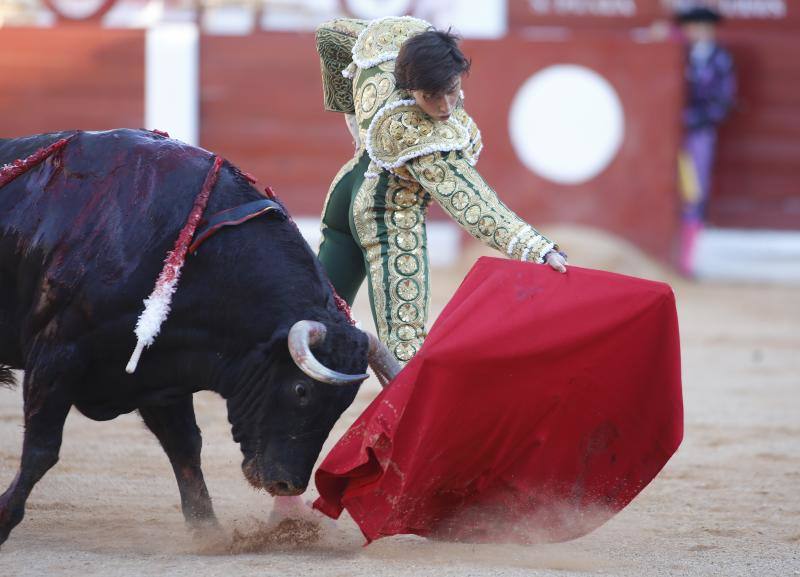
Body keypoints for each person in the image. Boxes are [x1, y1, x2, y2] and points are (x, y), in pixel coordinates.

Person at [314, 16, 567, 364]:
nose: (445, 107)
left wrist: (354, 118)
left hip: (345, 196)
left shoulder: (387, 45)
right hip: (389, 216)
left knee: (311, 314)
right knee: (405, 351)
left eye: (450, 90)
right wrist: (538, 249)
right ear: (408, 85)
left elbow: (331, 36)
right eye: (430, 97)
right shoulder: (421, 134)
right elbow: (470, 204)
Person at [674, 6, 736, 275]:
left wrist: (701, 118)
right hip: (668, 133)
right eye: (692, 25)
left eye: (703, 26)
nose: (697, 31)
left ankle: (686, 260)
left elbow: (724, 98)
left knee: (693, 192)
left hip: (699, 133)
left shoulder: (720, 59)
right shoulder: (676, 54)